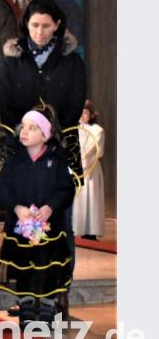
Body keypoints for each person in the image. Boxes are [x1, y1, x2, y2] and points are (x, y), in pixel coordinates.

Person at [0, 0, 86, 314]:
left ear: (58, 26)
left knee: (59, 220)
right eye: (34, 25)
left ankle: (57, 291)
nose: (39, 31)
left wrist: (50, 136)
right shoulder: (14, 59)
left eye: (46, 25)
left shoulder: (71, 61)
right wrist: (25, 135)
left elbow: (75, 105)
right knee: (20, 219)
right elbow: (5, 104)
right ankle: (23, 292)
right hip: (21, 147)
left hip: (61, 148)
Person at [0, 106, 74, 328]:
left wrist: (49, 208)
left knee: (48, 268)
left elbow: (66, 189)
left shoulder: (56, 159)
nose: (24, 132)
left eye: (32, 128)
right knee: (23, 267)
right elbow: (4, 188)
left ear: (45, 134)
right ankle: (26, 307)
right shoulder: (14, 159)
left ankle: (46, 307)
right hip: (21, 227)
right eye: (23, 127)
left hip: (49, 228)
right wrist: (17, 208)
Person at [73, 100, 105, 240]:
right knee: (79, 199)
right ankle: (77, 229)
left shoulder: (97, 130)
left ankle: (91, 232)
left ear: (91, 115)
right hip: (77, 169)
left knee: (91, 198)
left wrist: (82, 161)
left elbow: (93, 150)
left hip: (90, 169)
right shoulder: (75, 128)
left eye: (85, 112)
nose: (82, 115)